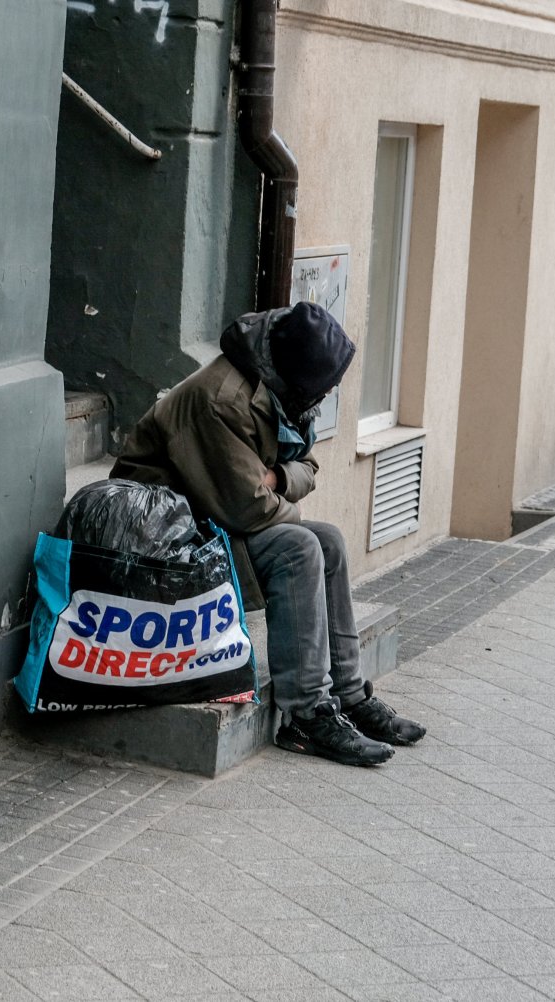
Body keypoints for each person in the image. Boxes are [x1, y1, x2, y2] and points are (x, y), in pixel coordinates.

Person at [110, 301, 426, 766]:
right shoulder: (220, 400)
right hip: (163, 535)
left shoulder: (285, 386)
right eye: (325, 388)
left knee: (330, 541)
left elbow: (306, 468)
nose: (328, 396)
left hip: (212, 514)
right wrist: (273, 489)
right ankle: (306, 716)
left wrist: (275, 477)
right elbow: (248, 509)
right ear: (298, 377)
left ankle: (349, 695)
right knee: (300, 547)